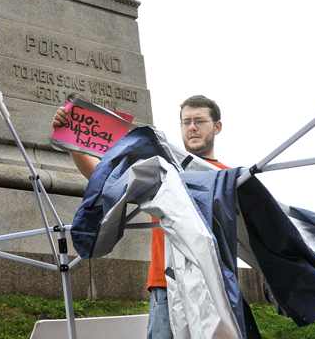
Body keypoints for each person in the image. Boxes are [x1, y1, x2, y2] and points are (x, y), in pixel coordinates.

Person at [52, 94, 227, 339]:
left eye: (200, 121)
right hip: (166, 284)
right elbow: (103, 181)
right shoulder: (162, 169)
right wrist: (72, 136)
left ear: (217, 126)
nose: (192, 128)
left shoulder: (230, 177)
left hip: (215, 285)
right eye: (186, 122)